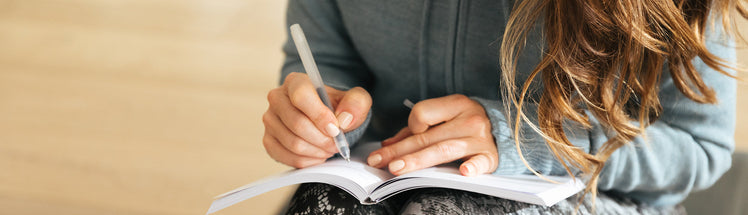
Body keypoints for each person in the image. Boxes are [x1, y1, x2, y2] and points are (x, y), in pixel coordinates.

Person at [262, 0, 746, 214]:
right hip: (383, 180)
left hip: (601, 197)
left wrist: (528, 140)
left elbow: (698, 147)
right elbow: (324, 60)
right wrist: (326, 113)